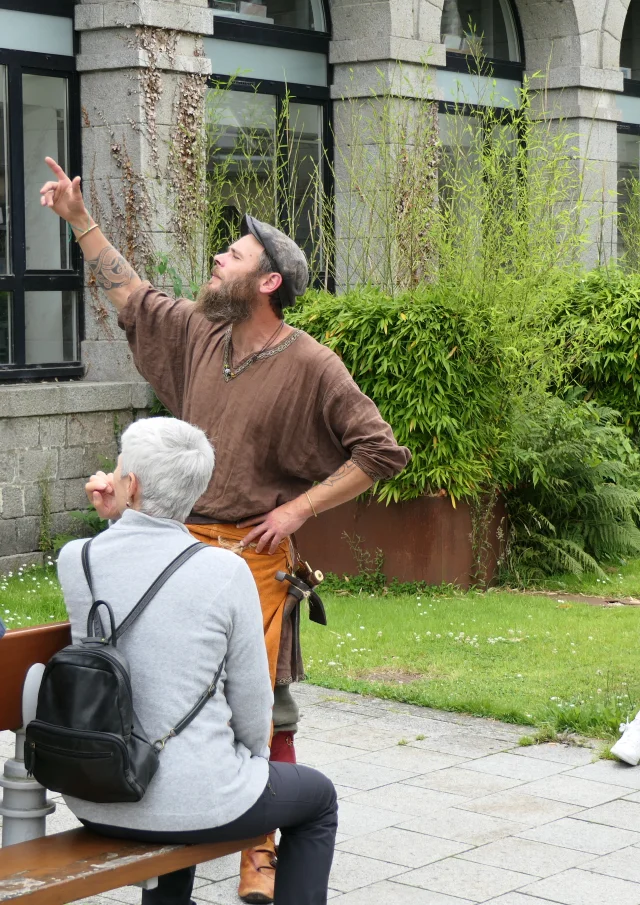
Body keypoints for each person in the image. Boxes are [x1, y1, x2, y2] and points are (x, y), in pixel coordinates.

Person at [40, 156, 410, 902]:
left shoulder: (314, 364)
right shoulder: (200, 334)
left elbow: (381, 452)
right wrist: (80, 221)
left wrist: (299, 509)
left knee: (264, 706)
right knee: (162, 695)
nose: (218, 256)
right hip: (175, 548)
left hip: (253, 557)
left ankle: (258, 855)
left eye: (234, 253)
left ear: (268, 282)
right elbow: (134, 295)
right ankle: (196, 832)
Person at [58, 416, 338, 905]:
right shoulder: (225, 571)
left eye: (118, 469)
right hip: (198, 801)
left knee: (191, 785)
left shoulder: (76, 559)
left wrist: (117, 516)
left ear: (131, 485)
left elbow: (125, 565)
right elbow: (252, 705)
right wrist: (250, 762)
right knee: (319, 799)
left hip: (95, 795)